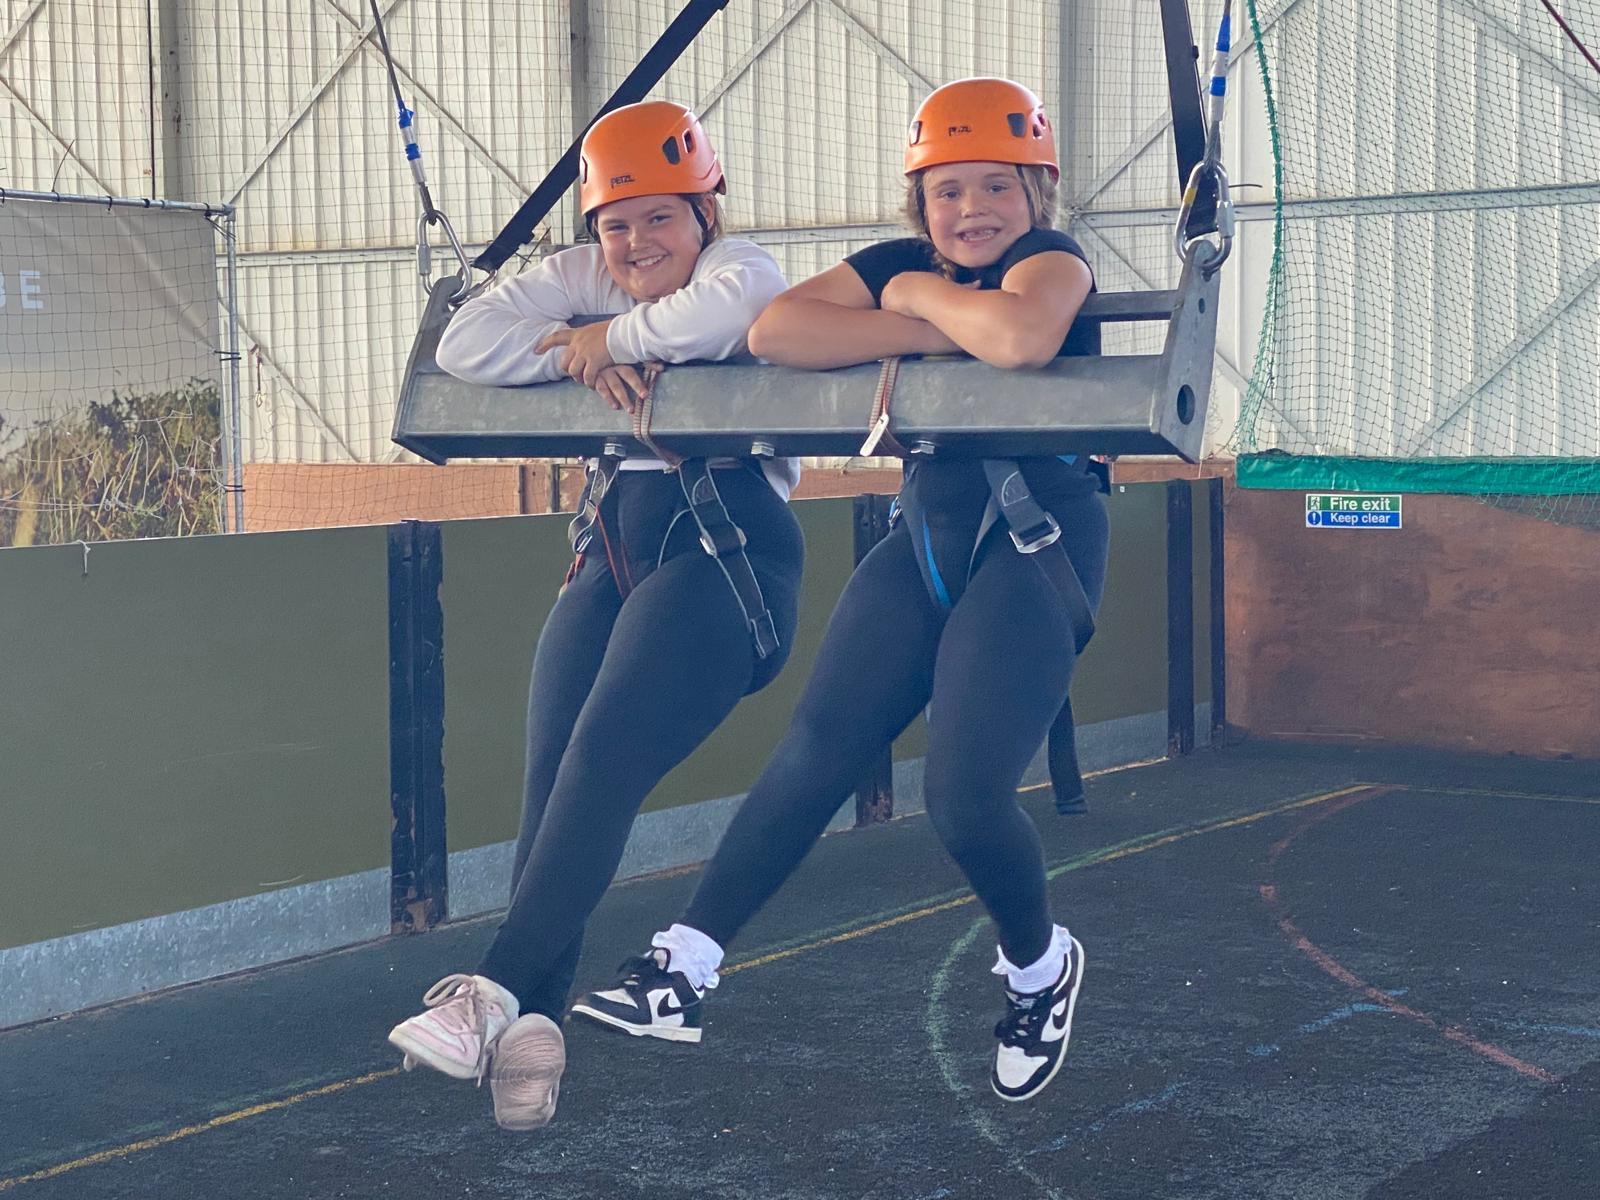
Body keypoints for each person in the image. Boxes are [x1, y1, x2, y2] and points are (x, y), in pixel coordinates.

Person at [572, 77, 1110, 1104]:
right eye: (947, 193)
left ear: (1035, 193)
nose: (970, 210)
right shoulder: (898, 264)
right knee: (817, 745)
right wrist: (929, 313)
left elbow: (1022, 338)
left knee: (962, 796)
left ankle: (1039, 967)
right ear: (920, 205)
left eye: (995, 187)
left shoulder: (1050, 259)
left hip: (1037, 535)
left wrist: (913, 301)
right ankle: (685, 964)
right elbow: (778, 331)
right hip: (927, 529)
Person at [387, 100, 804, 1130]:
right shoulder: (589, 276)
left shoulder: (740, 268)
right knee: (552, 790)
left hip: (726, 555)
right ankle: (531, 1027)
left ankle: (488, 993)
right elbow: (465, 341)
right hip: (613, 544)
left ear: (706, 213)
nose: (636, 242)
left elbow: (726, 317)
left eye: (661, 218)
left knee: (604, 759)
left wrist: (596, 339)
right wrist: (574, 343)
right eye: (616, 224)